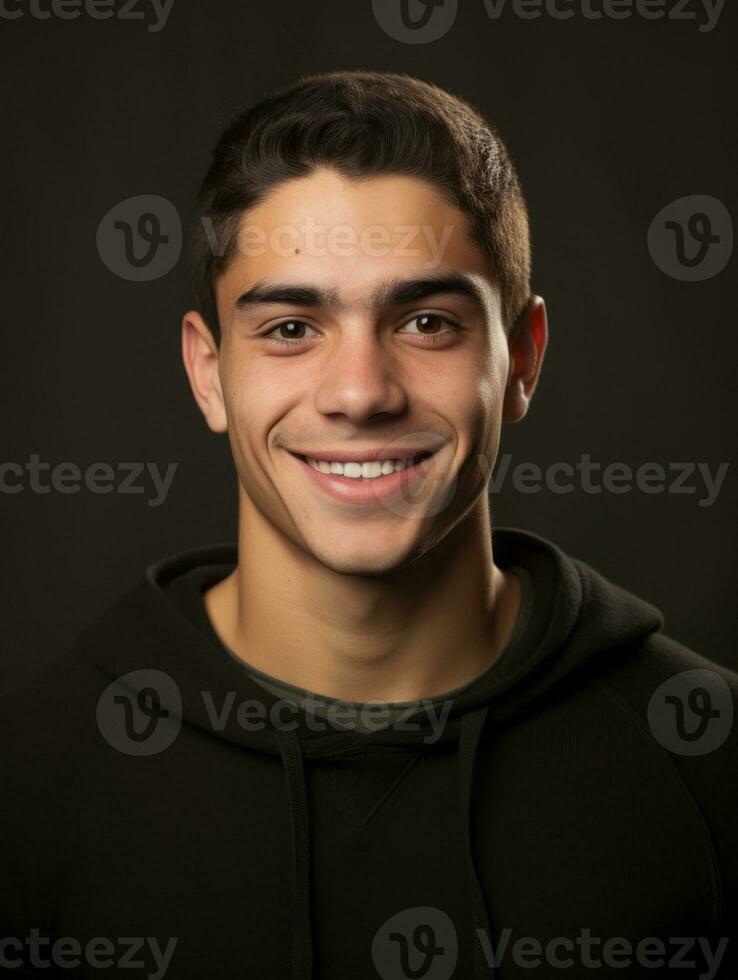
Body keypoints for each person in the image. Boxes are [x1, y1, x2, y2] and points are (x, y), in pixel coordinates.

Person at [2, 69, 736, 980]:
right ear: (206, 372)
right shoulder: (33, 783)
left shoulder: (707, 763)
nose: (360, 393)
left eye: (427, 322)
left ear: (523, 361)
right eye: (289, 329)